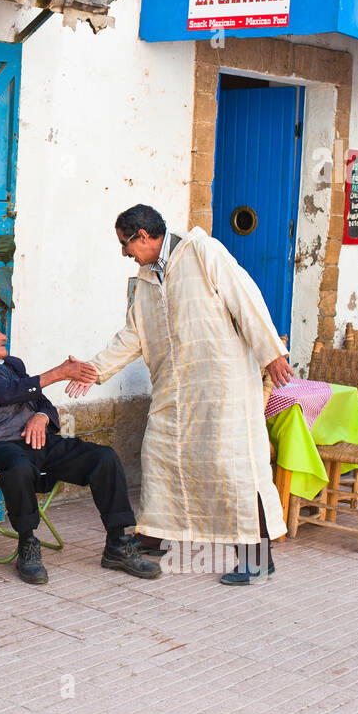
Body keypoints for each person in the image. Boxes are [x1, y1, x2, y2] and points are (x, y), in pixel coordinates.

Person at [67, 205, 295, 585]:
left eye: (125, 244)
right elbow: (133, 336)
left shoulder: (203, 252)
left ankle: (258, 558)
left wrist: (271, 353)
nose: (124, 252)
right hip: (175, 389)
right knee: (159, 456)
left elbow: (245, 298)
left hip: (222, 387)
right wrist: (95, 370)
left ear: (143, 236)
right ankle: (153, 538)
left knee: (234, 469)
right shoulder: (143, 280)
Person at [0, 315, 163, 585]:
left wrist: (42, 418)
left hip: (36, 440)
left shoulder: (12, 364)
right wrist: (58, 373)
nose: (4, 336)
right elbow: (3, 392)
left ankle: (117, 543)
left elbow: (41, 402)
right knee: (18, 467)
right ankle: (28, 546)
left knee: (103, 458)